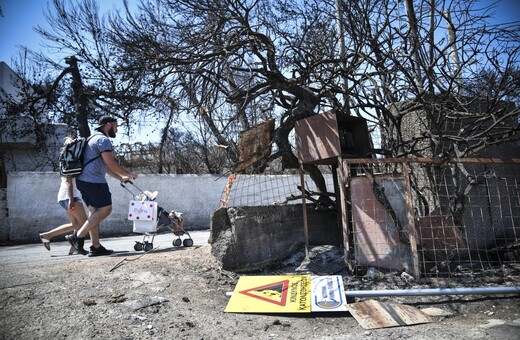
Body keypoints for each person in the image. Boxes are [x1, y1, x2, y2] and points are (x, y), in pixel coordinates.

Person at [66, 116, 138, 256]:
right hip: (94, 182)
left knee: (94, 212)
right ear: (109, 125)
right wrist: (129, 173)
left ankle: (96, 246)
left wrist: (120, 177)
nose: (116, 129)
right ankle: (77, 236)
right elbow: (110, 162)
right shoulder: (103, 140)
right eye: (116, 126)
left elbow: (105, 166)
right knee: (106, 209)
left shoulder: (91, 139)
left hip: (83, 181)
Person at [39, 175, 88, 255]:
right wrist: (71, 199)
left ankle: (47, 235)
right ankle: (75, 245)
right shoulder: (70, 164)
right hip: (71, 197)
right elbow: (68, 182)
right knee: (86, 224)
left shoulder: (67, 165)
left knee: (75, 225)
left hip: (65, 197)